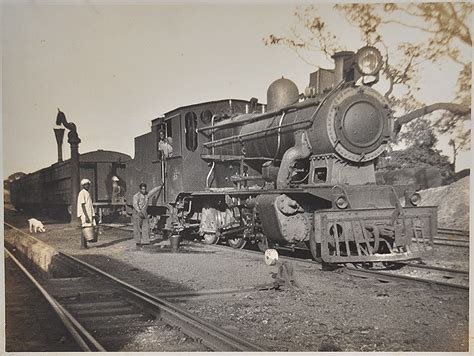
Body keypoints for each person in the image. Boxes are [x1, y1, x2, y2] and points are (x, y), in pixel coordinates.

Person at [132, 183, 162, 247]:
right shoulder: (136, 196)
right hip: (137, 212)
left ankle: (146, 241)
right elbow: (135, 204)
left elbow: (153, 191)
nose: (144, 190)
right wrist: (139, 212)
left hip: (144, 211)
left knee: (146, 226)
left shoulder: (146, 195)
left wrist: (160, 186)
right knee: (137, 227)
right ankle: (138, 242)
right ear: (140, 189)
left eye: (145, 189)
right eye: (142, 189)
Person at [77, 178, 96, 249]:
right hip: (85, 214)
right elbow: (82, 205)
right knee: (84, 228)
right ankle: (83, 245)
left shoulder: (86, 193)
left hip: (88, 213)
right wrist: (86, 216)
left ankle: (85, 245)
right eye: (86, 185)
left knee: (86, 228)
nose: (87, 186)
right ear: (83, 186)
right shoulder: (82, 193)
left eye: (88, 185)